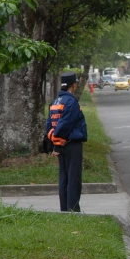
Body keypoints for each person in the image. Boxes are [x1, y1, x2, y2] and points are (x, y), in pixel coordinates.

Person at [45, 72, 88, 212]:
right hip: (71, 144)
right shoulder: (71, 102)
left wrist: (55, 143)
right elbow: (65, 124)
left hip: (60, 145)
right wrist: (60, 141)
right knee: (73, 177)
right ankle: (73, 209)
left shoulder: (55, 102)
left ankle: (64, 209)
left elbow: (49, 126)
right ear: (74, 85)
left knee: (64, 178)